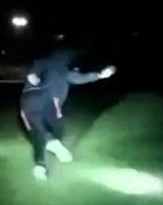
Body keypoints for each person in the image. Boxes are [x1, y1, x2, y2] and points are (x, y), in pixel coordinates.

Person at [19, 46, 116, 180]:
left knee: (36, 133)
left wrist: (33, 78)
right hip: (52, 102)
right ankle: (45, 156)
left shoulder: (41, 62)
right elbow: (80, 78)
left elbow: (32, 74)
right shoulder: (64, 70)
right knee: (53, 129)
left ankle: (43, 159)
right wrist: (99, 75)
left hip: (30, 100)